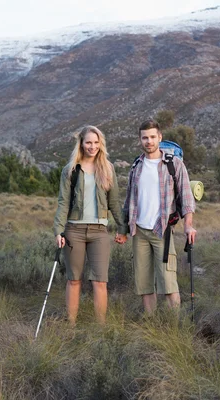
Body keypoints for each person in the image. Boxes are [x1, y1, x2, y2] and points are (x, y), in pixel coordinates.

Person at [119, 118, 196, 313]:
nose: (149, 141)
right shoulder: (136, 166)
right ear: (140, 140)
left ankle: (174, 327)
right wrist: (123, 230)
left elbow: (187, 198)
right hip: (140, 232)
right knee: (144, 284)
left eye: (153, 137)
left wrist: (188, 225)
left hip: (162, 231)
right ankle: (151, 324)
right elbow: (128, 201)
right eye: (145, 137)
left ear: (159, 137)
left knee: (168, 283)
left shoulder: (174, 164)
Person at [53, 125, 127, 325]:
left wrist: (122, 227)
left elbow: (114, 203)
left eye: (96, 142)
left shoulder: (107, 169)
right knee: (74, 280)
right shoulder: (70, 170)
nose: (92, 146)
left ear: (100, 144)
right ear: (81, 144)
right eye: (88, 142)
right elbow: (63, 202)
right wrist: (58, 230)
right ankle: (71, 325)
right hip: (74, 230)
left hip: (99, 232)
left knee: (100, 281)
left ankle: (100, 328)